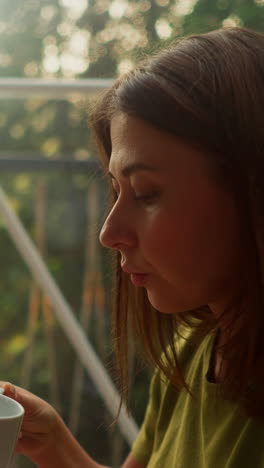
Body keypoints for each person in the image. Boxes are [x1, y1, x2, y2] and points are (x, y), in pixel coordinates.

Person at [2, 25, 264, 467]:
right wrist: (54, 444)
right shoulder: (192, 348)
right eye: (115, 190)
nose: (109, 232)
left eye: (145, 194)